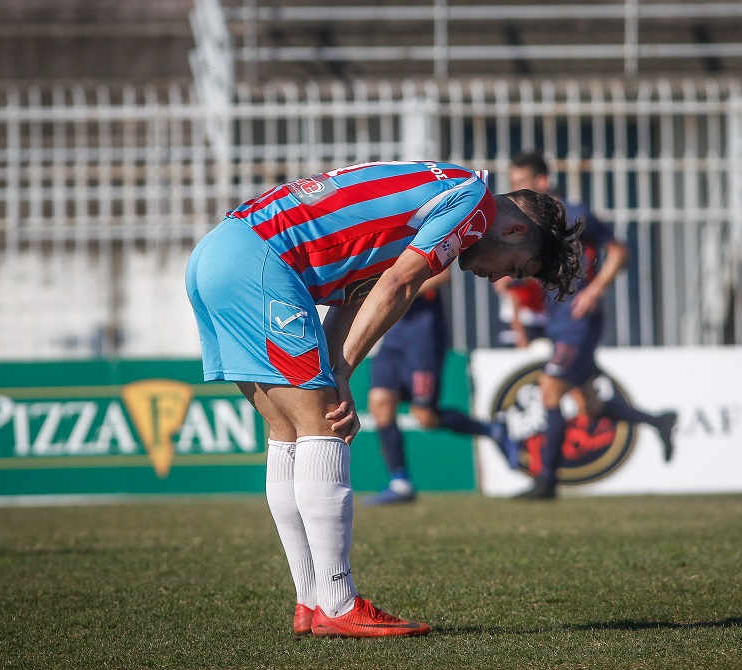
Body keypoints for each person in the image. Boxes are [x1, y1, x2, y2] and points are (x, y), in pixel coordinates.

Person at [185, 160, 582, 638]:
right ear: (515, 229)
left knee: (287, 432)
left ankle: (310, 602)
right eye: (514, 269)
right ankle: (339, 603)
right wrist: (341, 376)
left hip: (219, 253)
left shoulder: (432, 195)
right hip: (261, 264)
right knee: (322, 426)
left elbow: (359, 296)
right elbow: (400, 285)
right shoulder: (473, 203)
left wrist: (337, 374)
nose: (499, 279)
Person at [508, 151, 678, 500]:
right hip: (558, 319)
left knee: (550, 390)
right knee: (589, 406)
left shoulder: (576, 214)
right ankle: (658, 421)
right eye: (512, 184)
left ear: (542, 182)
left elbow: (618, 251)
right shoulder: (531, 224)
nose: (516, 190)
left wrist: (595, 290)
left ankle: (547, 483)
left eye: (521, 182)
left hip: (578, 319)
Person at [364, 268, 518, 506]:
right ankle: (400, 482)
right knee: (380, 403)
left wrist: (398, 289)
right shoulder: (381, 239)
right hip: (392, 335)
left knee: (425, 416)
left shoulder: (422, 234)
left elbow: (443, 275)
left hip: (423, 338)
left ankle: (490, 429)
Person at [494, 276, 549, 347]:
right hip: (519, 326)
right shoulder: (513, 287)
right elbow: (499, 287)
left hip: (540, 325)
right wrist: (521, 339)